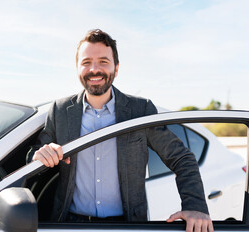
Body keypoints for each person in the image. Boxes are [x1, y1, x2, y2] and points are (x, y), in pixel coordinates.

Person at [27, 29, 213, 232]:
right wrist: (40, 155)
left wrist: (195, 206)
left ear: (116, 68)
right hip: (71, 223)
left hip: (126, 225)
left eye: (103, 62)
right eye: (86, 62)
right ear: (78, 68)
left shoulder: (140, 110)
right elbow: (33, 159)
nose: (94, 69)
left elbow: (181, 158)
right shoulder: (60, 110)